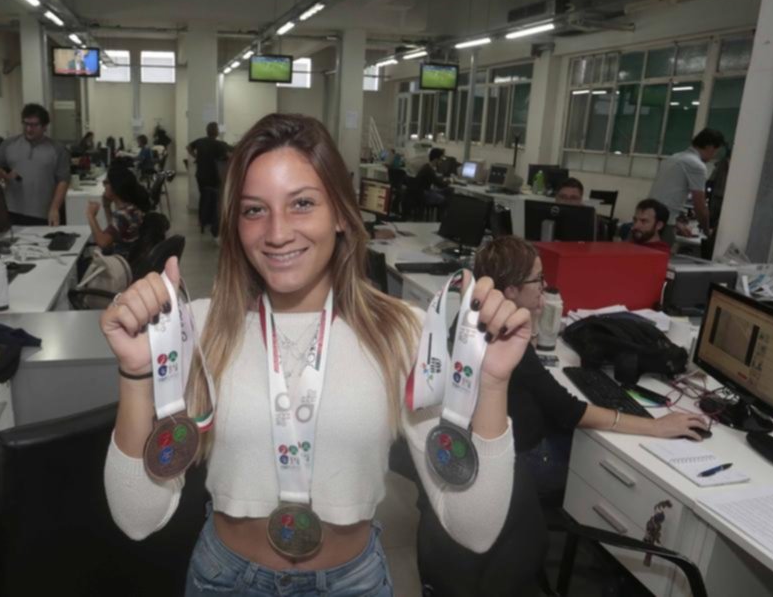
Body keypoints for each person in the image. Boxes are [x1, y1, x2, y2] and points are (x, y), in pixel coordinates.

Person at [102, 113, 530, 596]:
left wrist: (492, 384)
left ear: (342, 214)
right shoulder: (200, 329)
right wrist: (137, 373)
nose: (278, 233)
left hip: (353, 583)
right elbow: (137, 517)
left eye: (302, 203)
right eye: (254, 210)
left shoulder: (401, 332)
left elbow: (475, 529)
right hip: (226, 580)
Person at [473, 236, 708, 494]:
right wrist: (655, 426)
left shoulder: (474, 321)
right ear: (511, 292)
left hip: (495, 446)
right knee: (604, 464)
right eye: (537, 279)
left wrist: (532, 317)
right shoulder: (506, 344)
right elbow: (569, 410)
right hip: (523, 461)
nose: (545, 285)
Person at [0, 104, 70, 226]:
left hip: (43, 213)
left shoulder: (58, 149)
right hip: (12, 211)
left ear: (44, 126)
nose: (28, 129)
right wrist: (3, 174)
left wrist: (54, 208)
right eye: (26, 124)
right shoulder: (8, 144)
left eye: (34, 125)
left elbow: (63, 181)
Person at [648, 128, 725, 244]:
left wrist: (677, 224)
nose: (713, 156)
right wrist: (707, 233)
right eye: (715, 152)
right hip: (662, 227)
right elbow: (700, 206)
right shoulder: (697, 165)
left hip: (647, 220)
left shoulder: (673, 158)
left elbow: (662, 198)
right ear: (710, 147)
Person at [86, 169, 151, 255]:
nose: (104, 185)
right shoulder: (132, 208)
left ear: (115, 187)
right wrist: (107, 207)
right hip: (130, 259)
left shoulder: (122, 215)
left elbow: (103, 242)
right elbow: (115, 230)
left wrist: (91, 216)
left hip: (120, 261)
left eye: (106, 182)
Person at [187, 122, 231, 237]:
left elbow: (188, 147)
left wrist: (196, 156)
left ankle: (202, 220)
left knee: (204, 197)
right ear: (216, 132)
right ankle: (212, 221)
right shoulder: (219, 145)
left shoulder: (200, 141)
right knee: (215, 198)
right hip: (213, 176)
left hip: (200, 175)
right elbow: (228, 156)